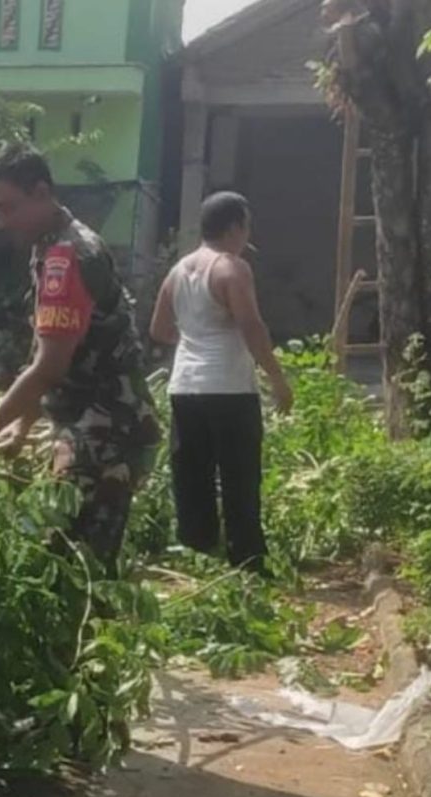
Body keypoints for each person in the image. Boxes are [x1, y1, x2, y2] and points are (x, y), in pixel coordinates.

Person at [0, 143, 160, 573]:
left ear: (42, 192)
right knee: (63, 562)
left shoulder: (68, 254)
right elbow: (44, 350)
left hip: (104, 430)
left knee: (74, 572)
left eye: (8, 208)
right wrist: (22, 428)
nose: (1, 222)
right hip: (85, 424)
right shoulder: (49, 245)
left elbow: (48, 368)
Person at [149, 192, 293, 574]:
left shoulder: (178, 271)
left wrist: (195, 341)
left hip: (184, 386)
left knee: (192, 475)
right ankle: (247, 562)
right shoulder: (232, 267)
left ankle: (198, 557)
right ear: (234, 227)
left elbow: (159, 329)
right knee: (238, 475)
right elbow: (251, 326)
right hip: (228, 388)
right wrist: (277, 379)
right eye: (246, 227)